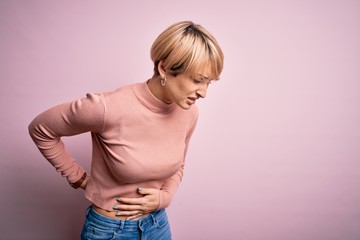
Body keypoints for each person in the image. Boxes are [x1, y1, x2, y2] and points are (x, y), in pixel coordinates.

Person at [28, 20, 224, 240]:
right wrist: (79, 178)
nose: (204, 93)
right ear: (164, 68)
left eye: (209, 83)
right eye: (198, 80)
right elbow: (41, 129)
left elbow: (179, 165)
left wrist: (165, 197)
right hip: (108, 230)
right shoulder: (107, 107)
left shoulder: (189, 113)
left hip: (158, 226)